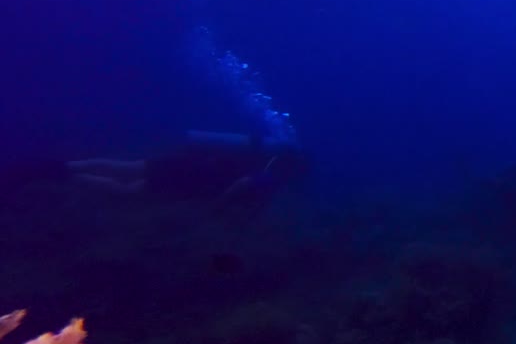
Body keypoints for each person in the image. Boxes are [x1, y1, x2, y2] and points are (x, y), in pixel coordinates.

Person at [8, 129, 310, 207]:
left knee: (125, 167)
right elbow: (243, 185)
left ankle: (62, 167)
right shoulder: (272, 171)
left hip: (187, 162)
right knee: (127, 190)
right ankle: (64, 174)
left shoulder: (260, 150)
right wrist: (220, 204)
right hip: (192, 180)